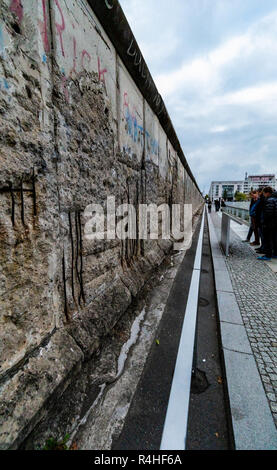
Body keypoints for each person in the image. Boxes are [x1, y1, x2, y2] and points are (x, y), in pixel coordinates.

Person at [257, 186, 277, 261]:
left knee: (268, 239)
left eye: (264, 193)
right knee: (275, 239)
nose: (263, 195)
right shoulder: (275, 198)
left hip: (270, 223)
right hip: (275, 223)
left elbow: (268, 213)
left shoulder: (269, 200)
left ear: (267, 193)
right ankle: (275, 254)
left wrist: (264, 222)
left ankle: (268, 255)